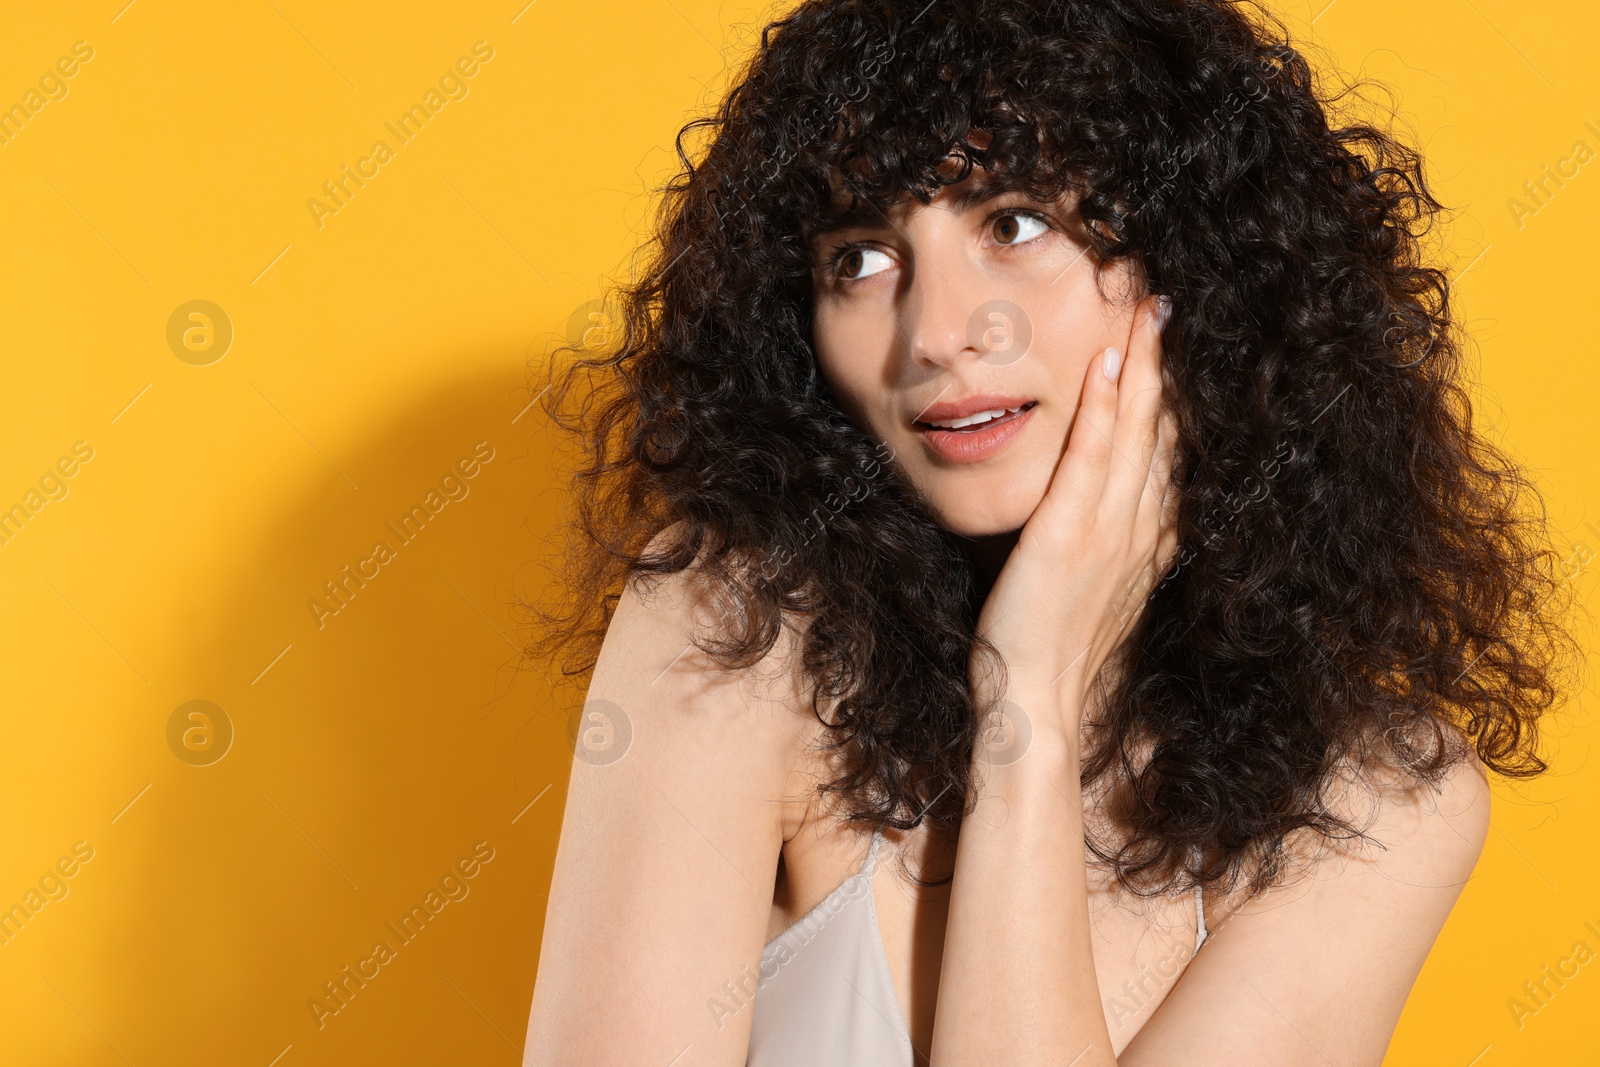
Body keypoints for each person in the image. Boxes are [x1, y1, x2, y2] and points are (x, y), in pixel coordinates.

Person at [522, 1, 1576, 1063]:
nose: (933, 334)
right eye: (858, 259)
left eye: (1012, 222)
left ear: (1200, 261)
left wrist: (1031, 689)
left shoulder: (1378, 798)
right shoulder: (736, 630)